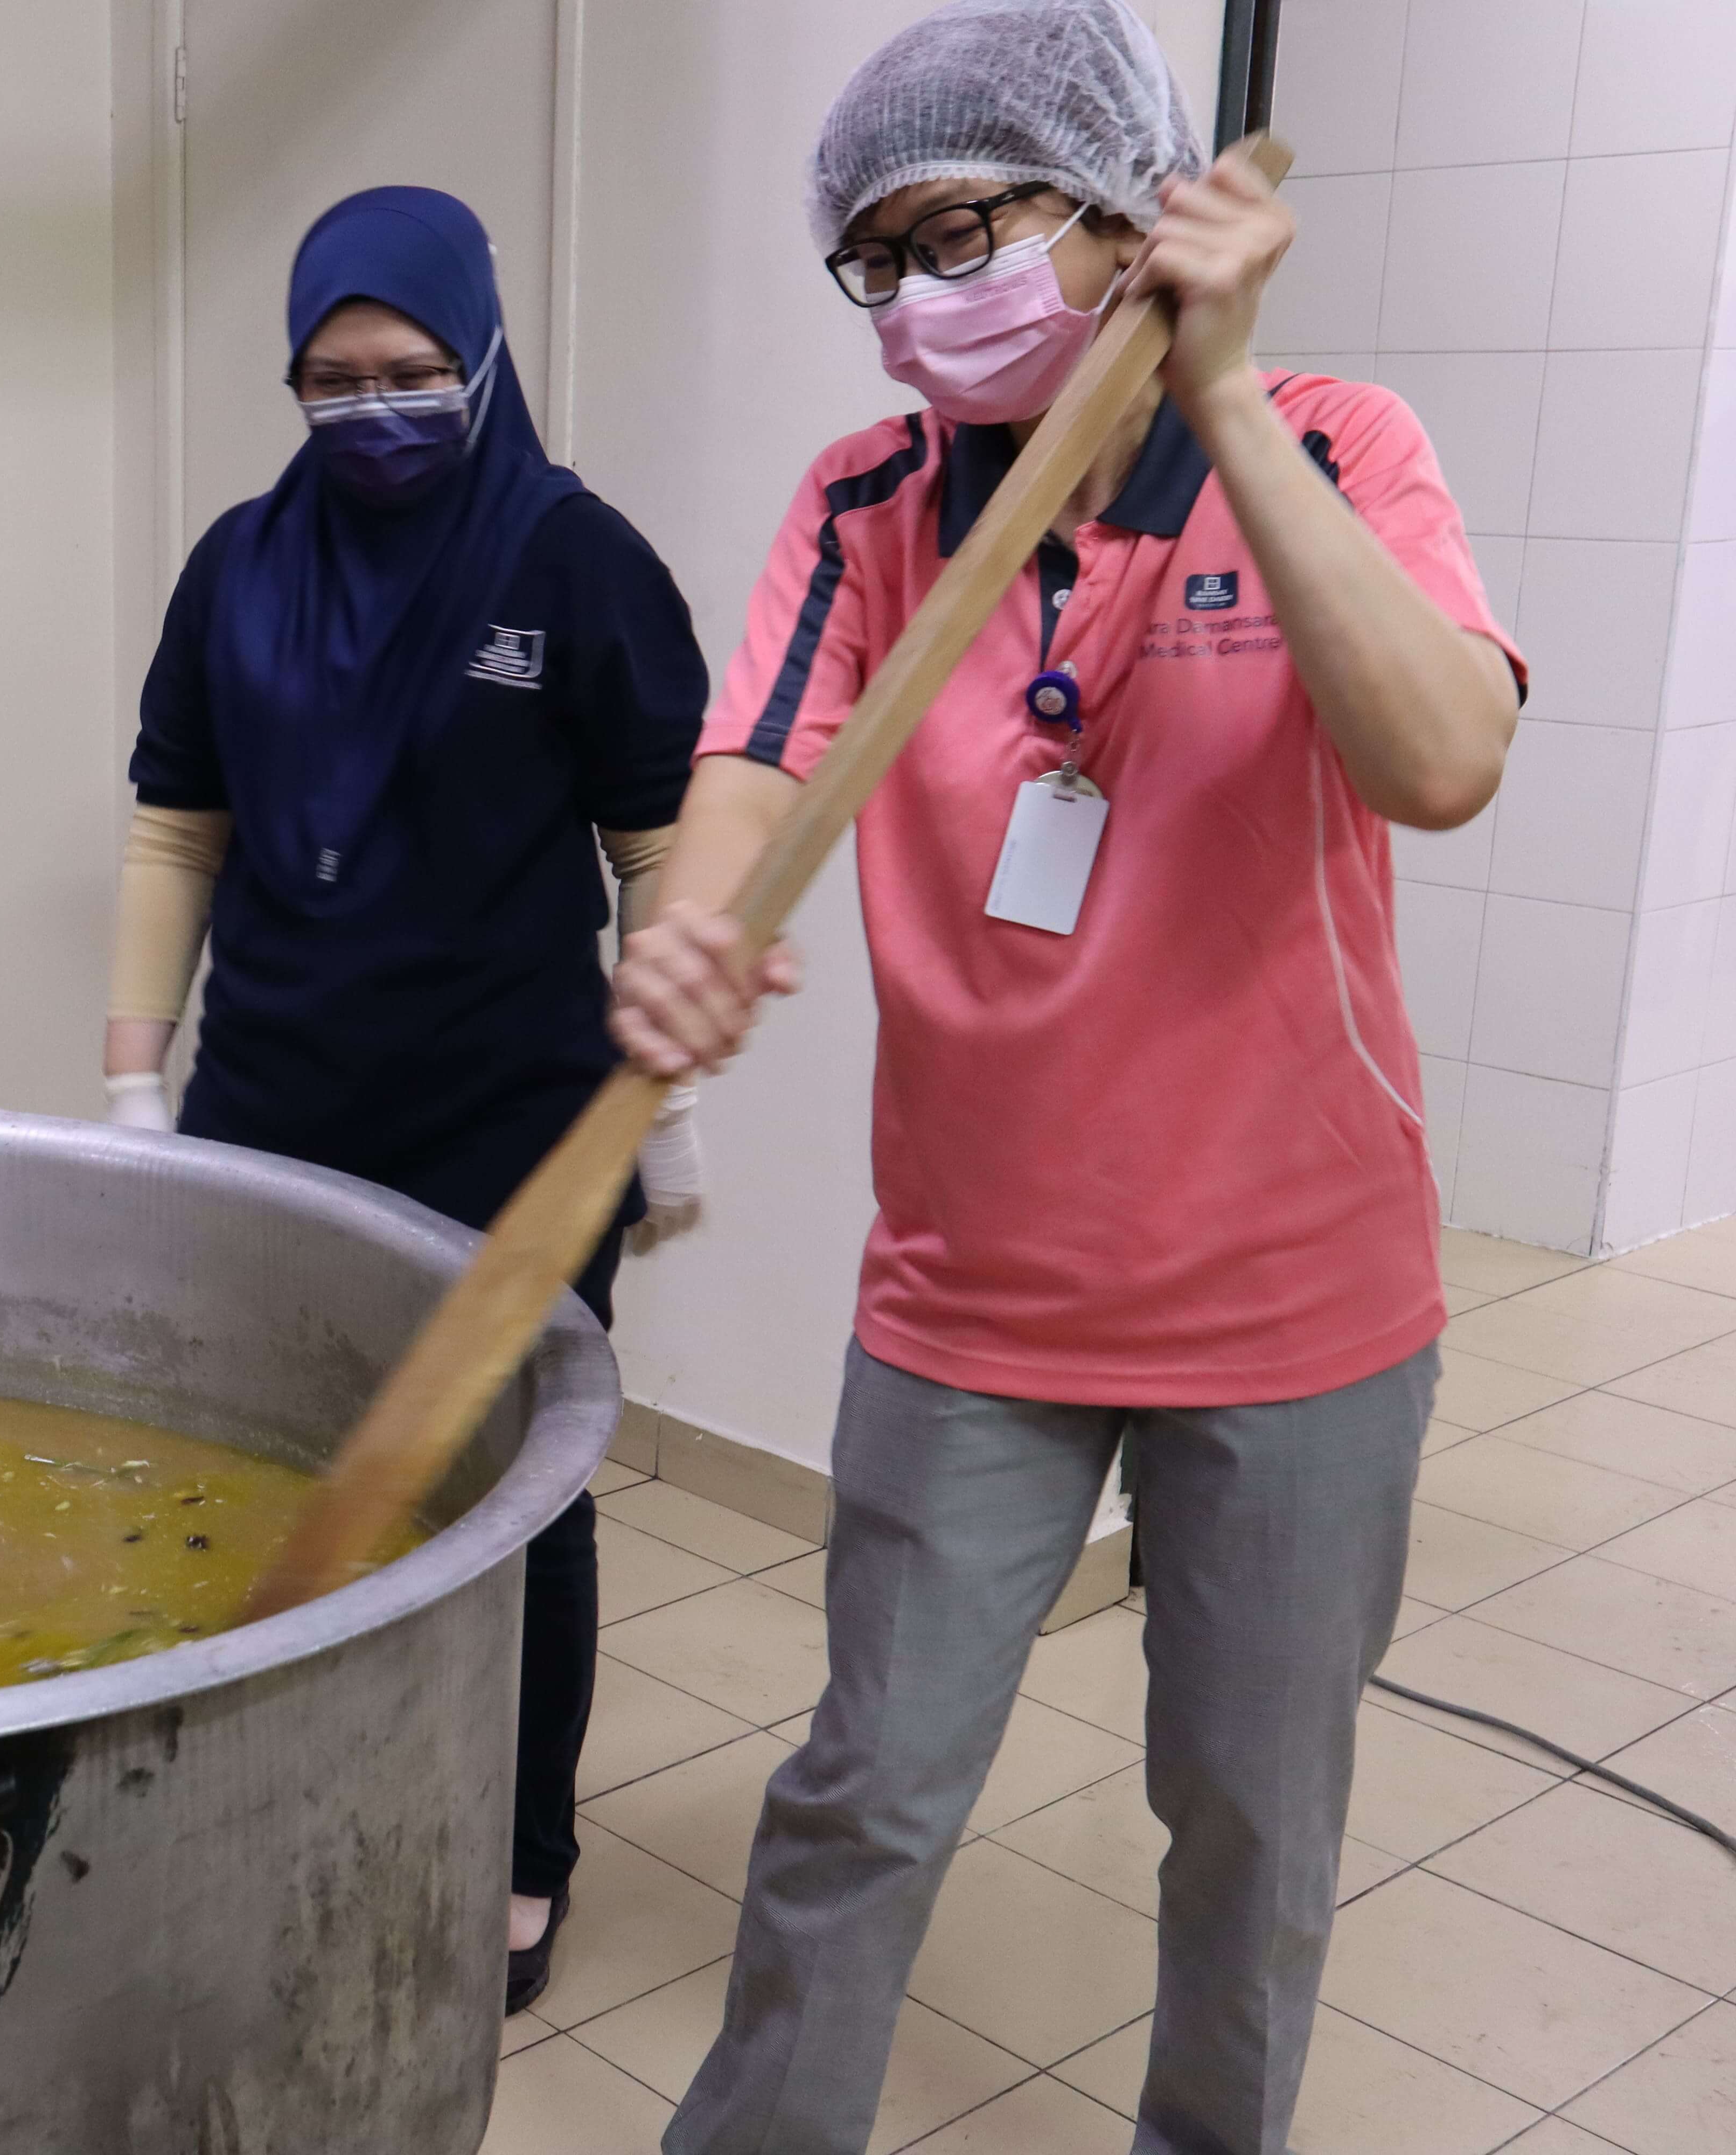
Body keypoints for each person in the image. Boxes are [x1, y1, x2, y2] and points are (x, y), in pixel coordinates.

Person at [607, 4, 1520, 2149]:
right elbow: (750, 766)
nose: (929, 298)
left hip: (1296, 1308)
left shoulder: (1337, 441)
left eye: (971, 232)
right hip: (973, 1294)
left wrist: (1217, 398)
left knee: (1250, 1831)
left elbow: (1447, 753)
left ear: (1117, 213)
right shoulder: (866, 505)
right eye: (885, 258)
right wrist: (695, 920)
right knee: (865, 1794)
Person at [101, 185, 711, 2015]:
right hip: (273, 1112)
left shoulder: (575, 560)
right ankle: (280, 1803)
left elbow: (661, 843)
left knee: (519, 1503)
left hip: (512, 1125)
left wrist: (655, 1091)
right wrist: (135, 1081)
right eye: (331, 378)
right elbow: (172, 826)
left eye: (410, 371)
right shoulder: (238, 564)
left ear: (484, 355)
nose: (371, 408)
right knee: (266, 1466)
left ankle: (519, 1859)